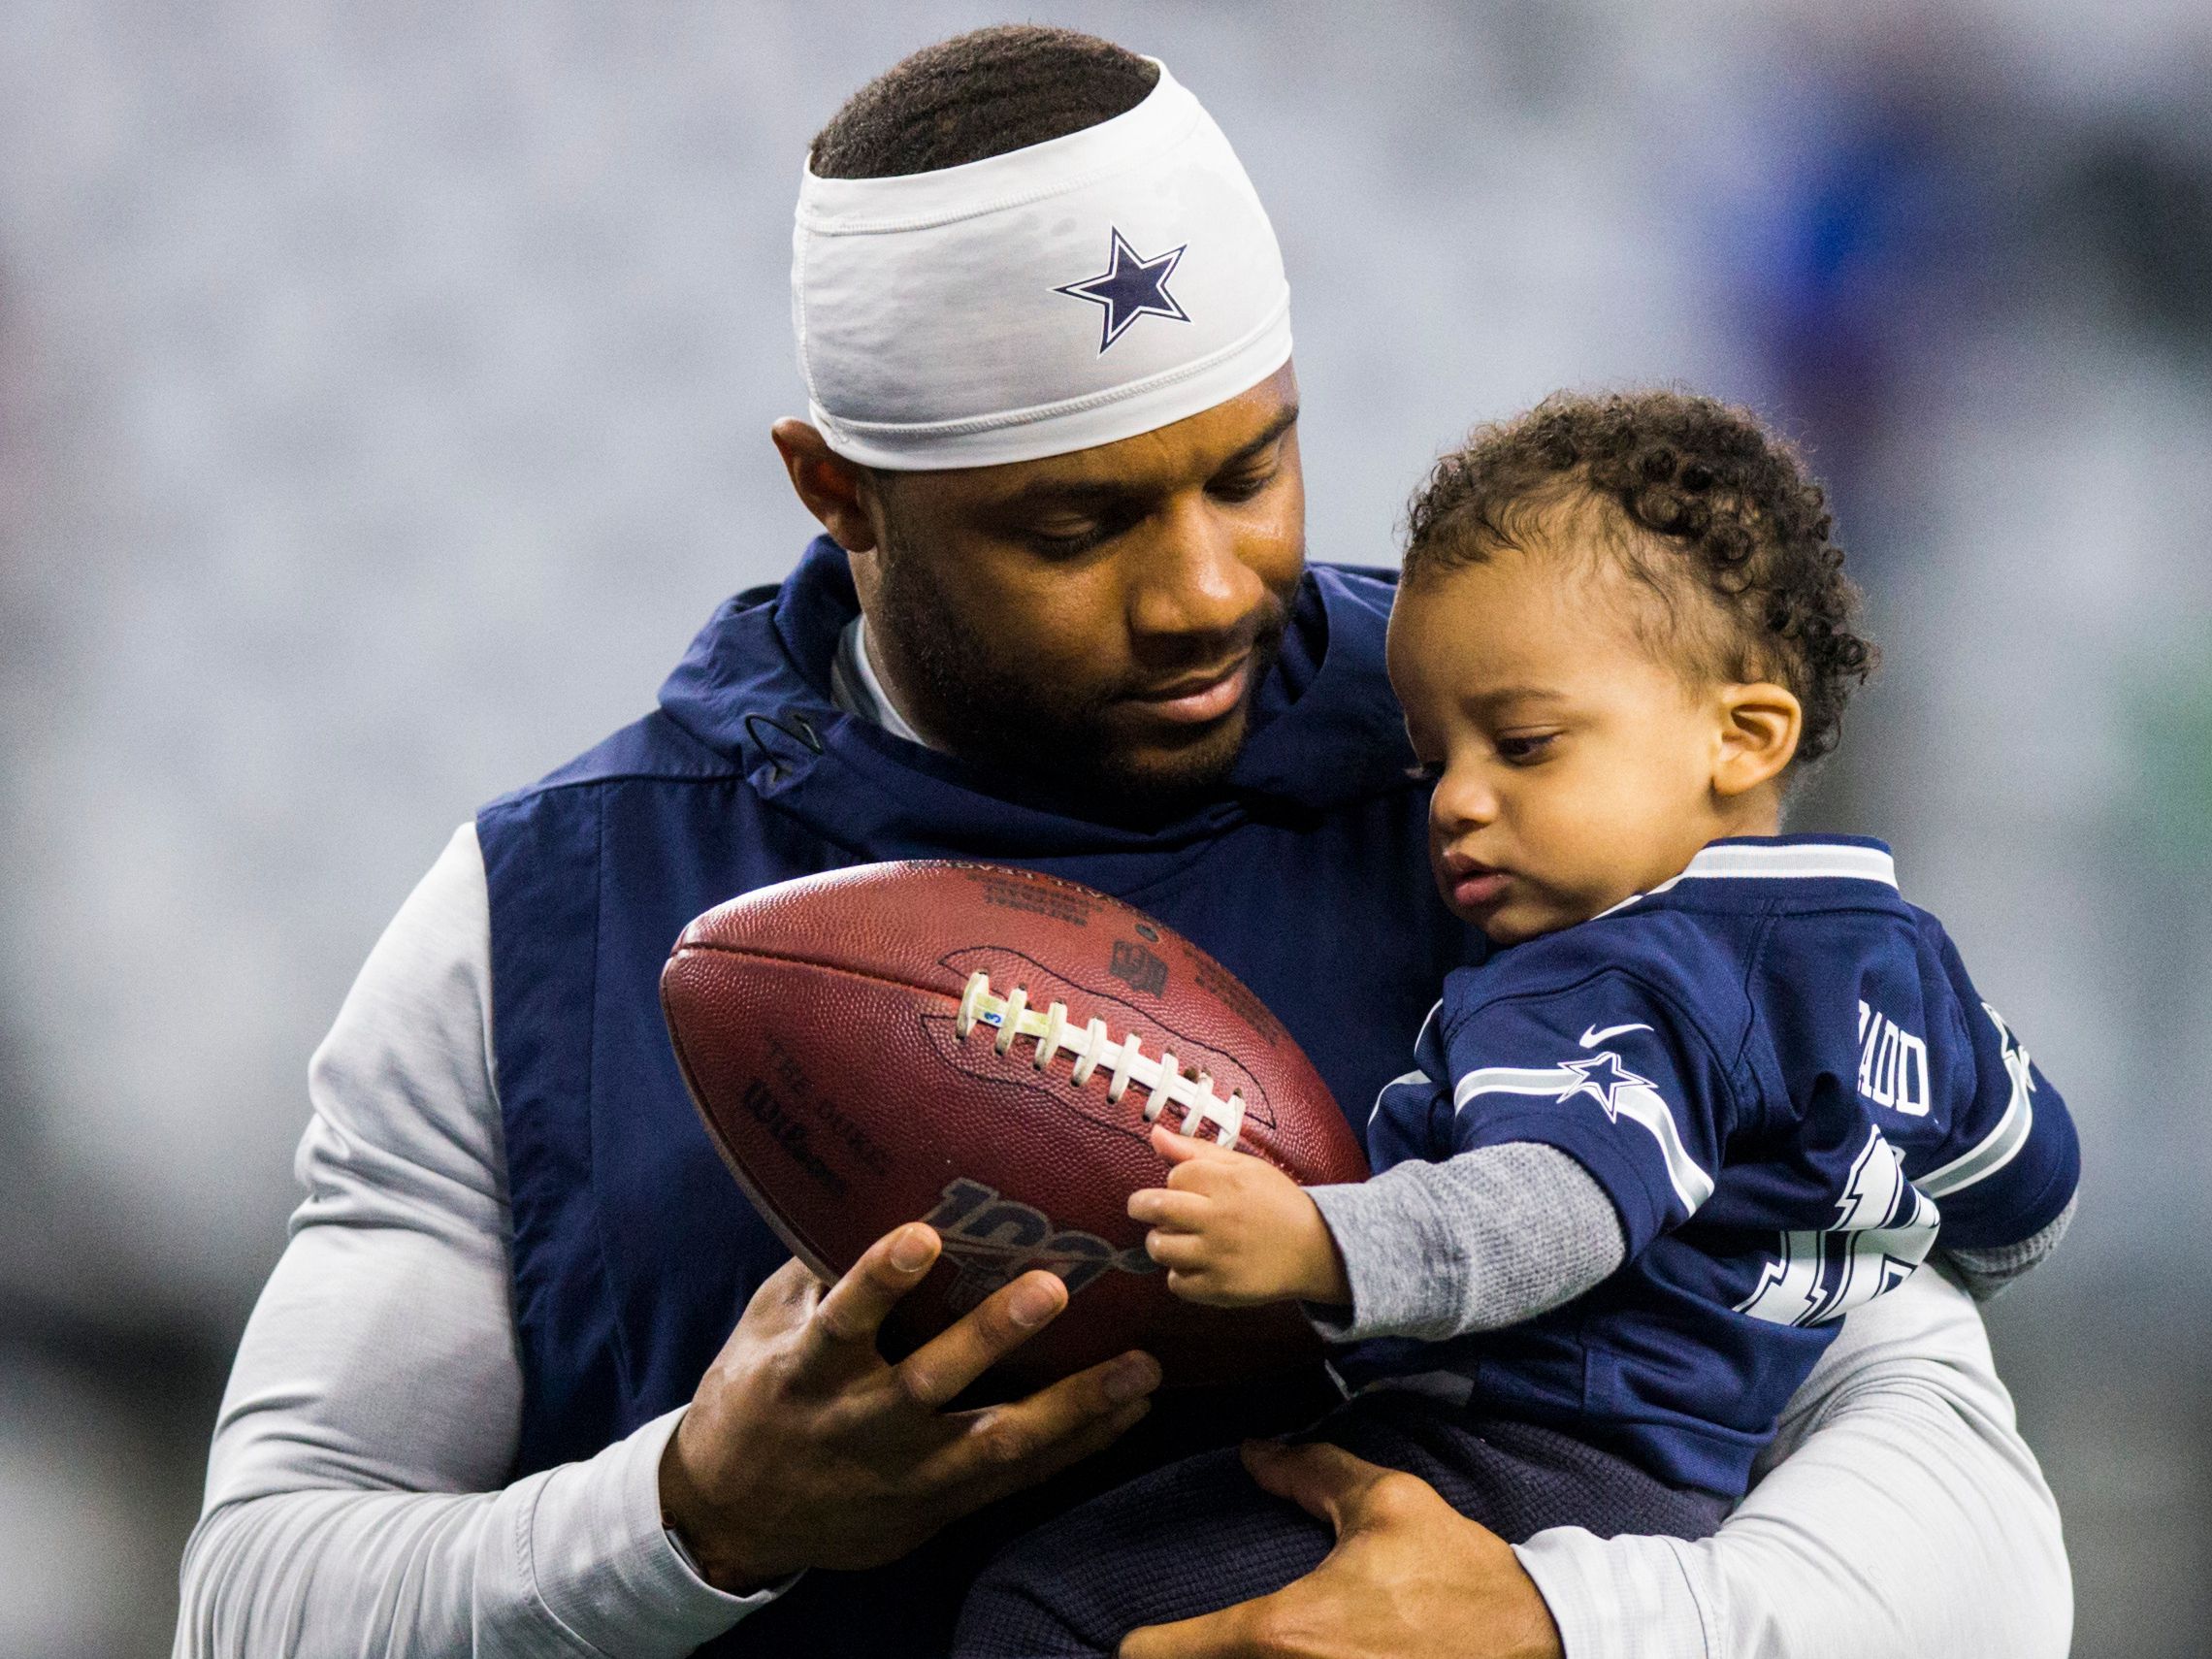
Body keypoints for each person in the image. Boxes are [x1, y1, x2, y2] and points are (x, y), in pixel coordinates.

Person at [173, 26, 2073, 1659]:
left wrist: (1567, 1620)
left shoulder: (1533, 800)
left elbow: (1974, 1530)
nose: (1205, 589)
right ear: (840, 493)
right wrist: (696, 1512)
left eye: (1251, 470)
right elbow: (255, 1595)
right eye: (1077, 529)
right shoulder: (550, 921)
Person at [950, 390, 2081, 1657]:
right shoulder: (1905, 954)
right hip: (1707, 1467)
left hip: (1532, 1452)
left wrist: (1320, 1242)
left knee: (1038, 1605)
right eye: (1435, 759)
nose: (1456, 801)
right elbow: (2031, 1188)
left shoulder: (1605, 972)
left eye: (1524, 744)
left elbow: (1559, 1207)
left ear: (1742, 734)